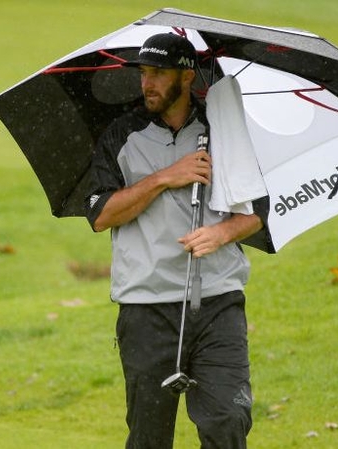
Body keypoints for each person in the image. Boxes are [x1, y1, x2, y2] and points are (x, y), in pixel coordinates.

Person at [85, 33, 269, 448]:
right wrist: (167, 177)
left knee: (227, 420)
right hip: (146, 307)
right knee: (149, 437)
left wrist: (221, 233)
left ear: (186, 77)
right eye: (144, 73)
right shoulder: (122, 134)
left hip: (217, 301)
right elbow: (101, 215)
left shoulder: (221, 129)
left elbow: (258, 211)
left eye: (158, 73)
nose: (146, 83)